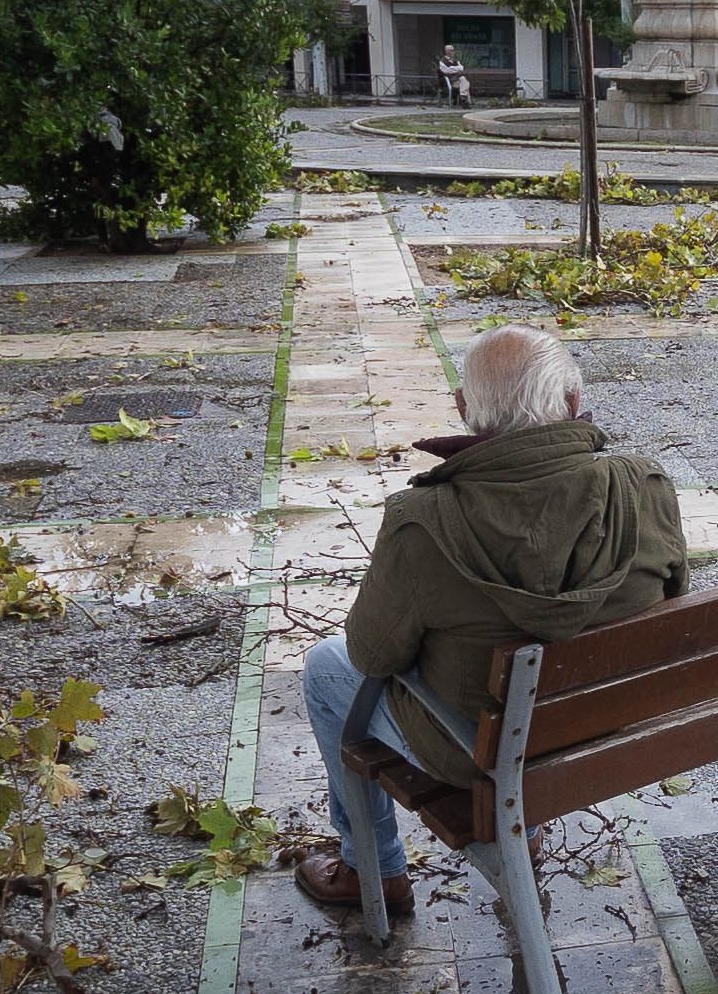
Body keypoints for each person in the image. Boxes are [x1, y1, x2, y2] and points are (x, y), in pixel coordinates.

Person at [296, 326, 690, 916]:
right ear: (573, 402)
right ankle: (523, 831)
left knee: (325, 665)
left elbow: (373, 657)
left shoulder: (421, 519)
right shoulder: (644, 486)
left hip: (481, 754)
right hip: (612, 721)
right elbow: (676, 596)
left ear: (464, 408)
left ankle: (370, 868)